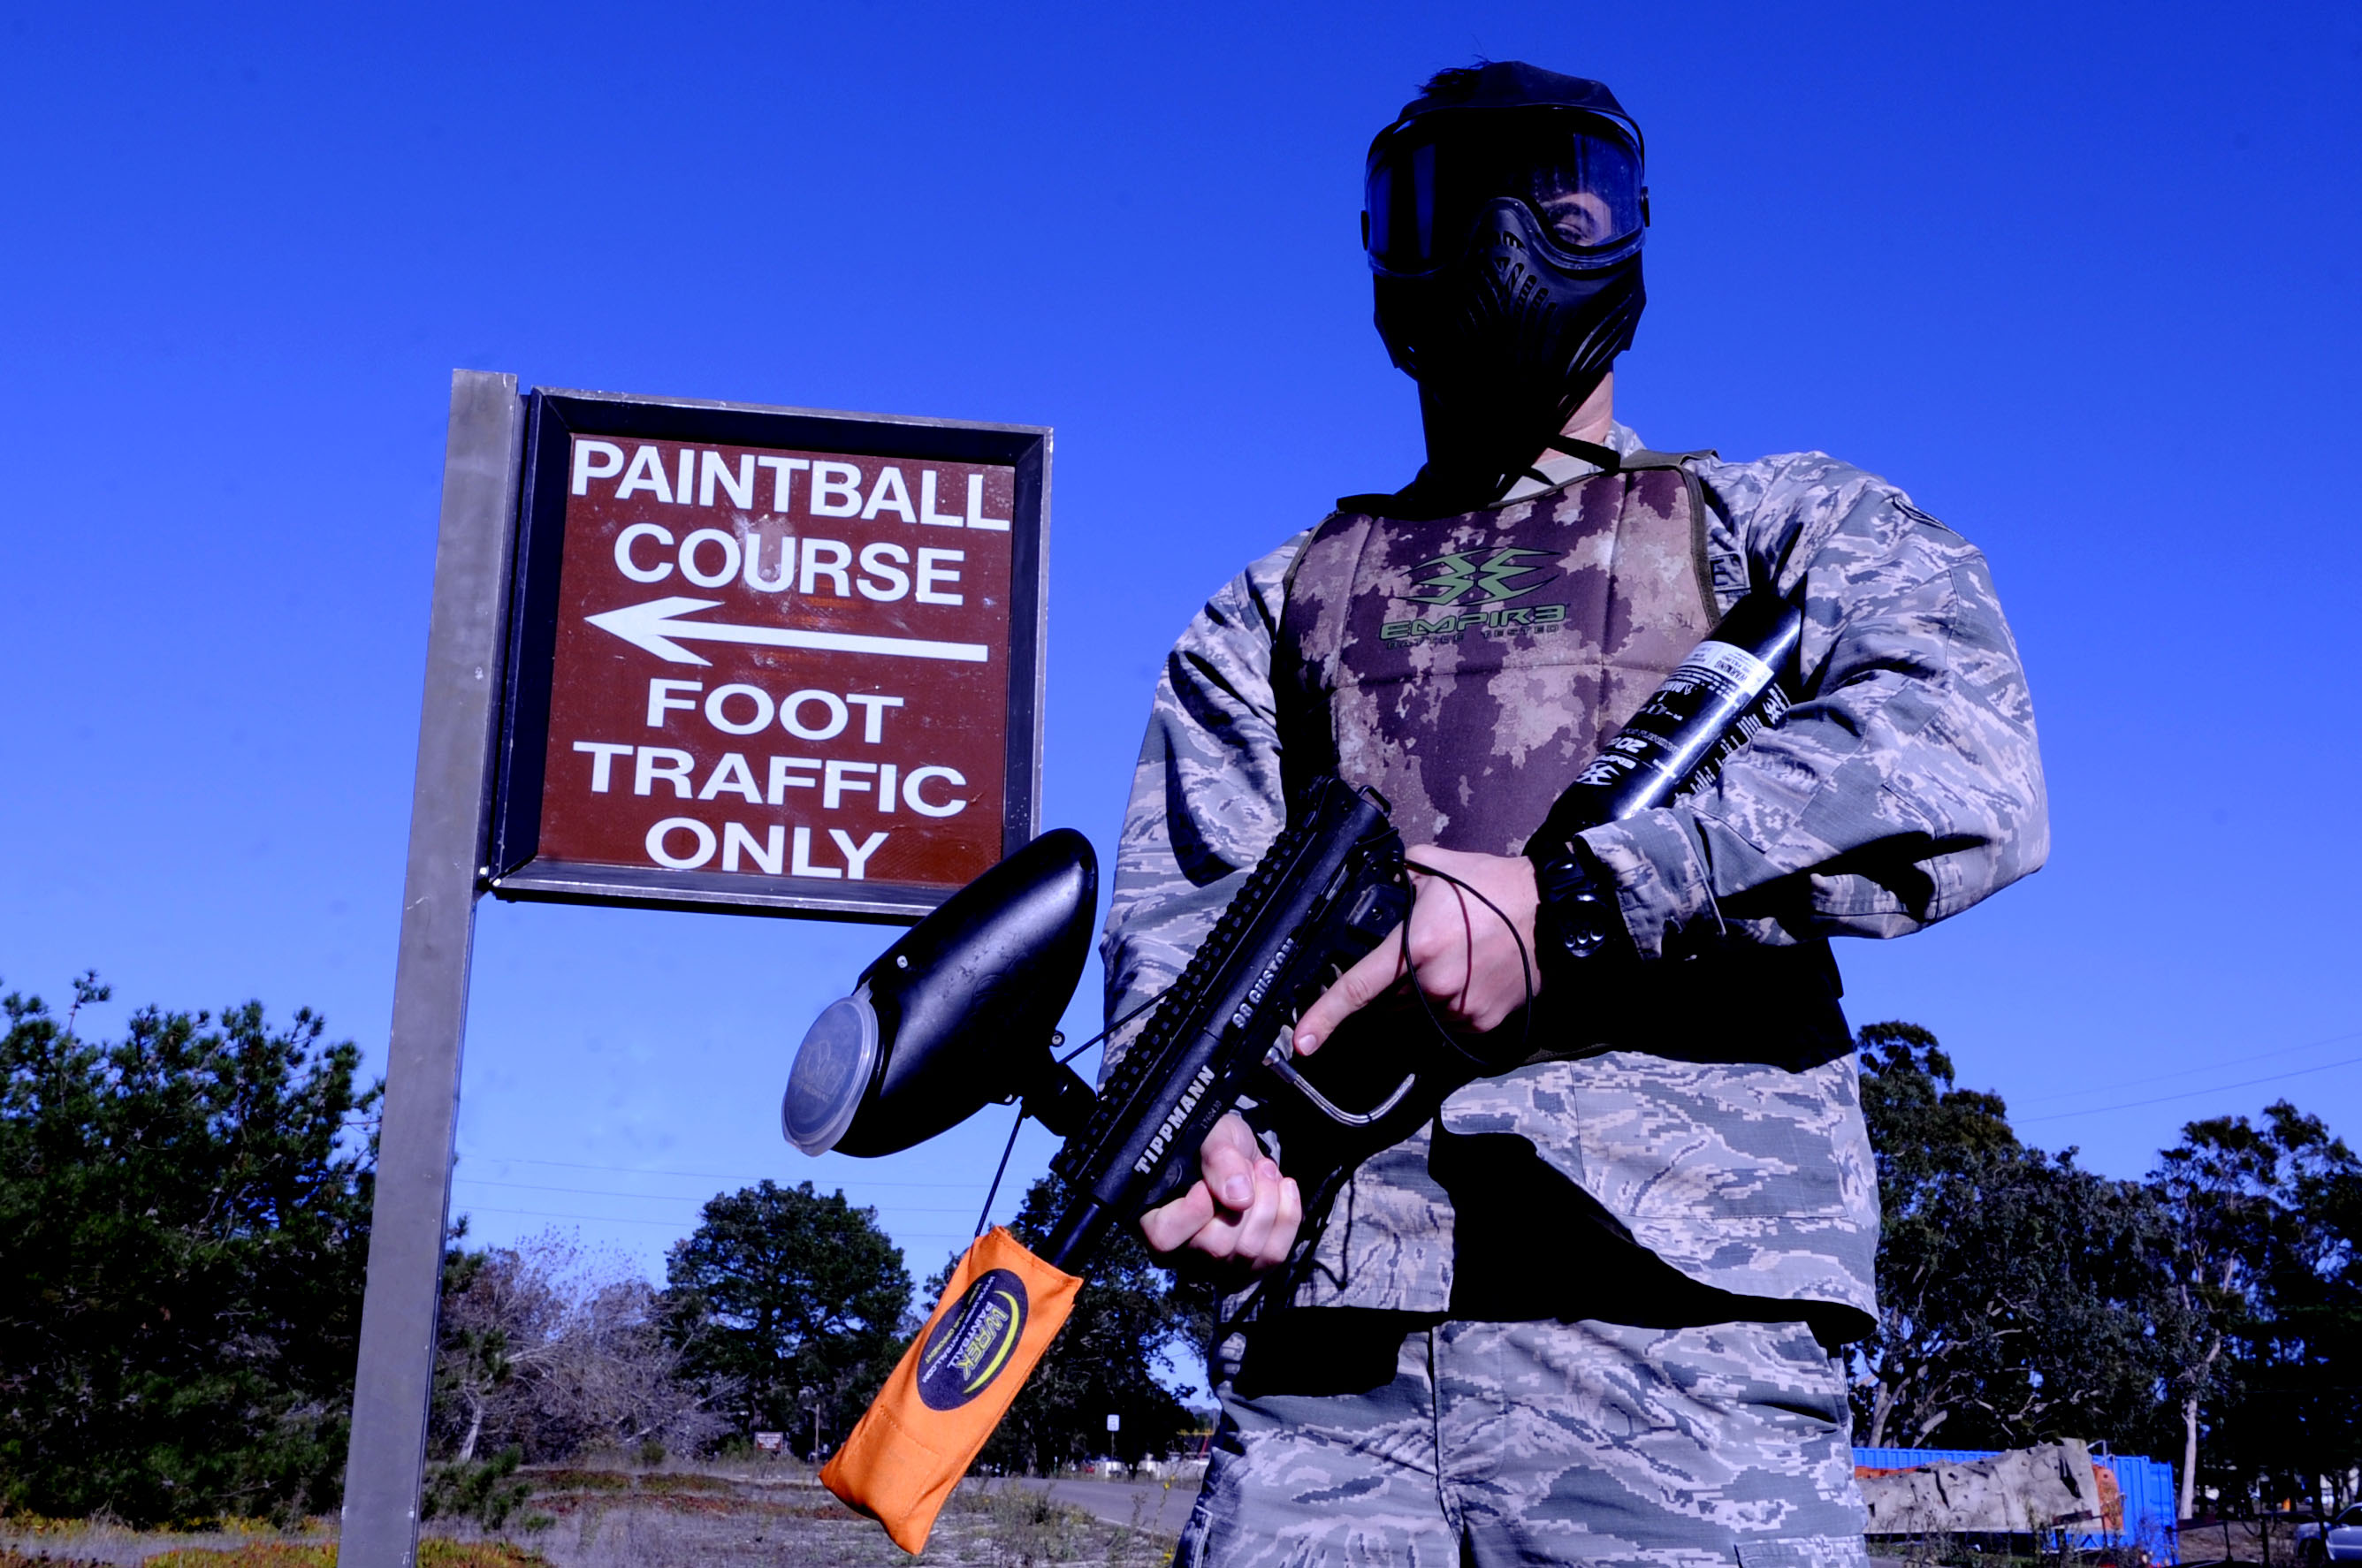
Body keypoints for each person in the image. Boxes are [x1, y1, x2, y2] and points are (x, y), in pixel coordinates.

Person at [1100, 60, 2046, 1568]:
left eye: (1560, 191)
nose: (1503, 242)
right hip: (1330, 1359)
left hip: (1678, 1331)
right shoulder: (1278, 603)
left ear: (1632, 229)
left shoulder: (1780, 523)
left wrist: (1587, 895)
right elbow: (1184, 917)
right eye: (1446, 202)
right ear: (1379, 247)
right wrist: (1205, 1139)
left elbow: (1964, 762)